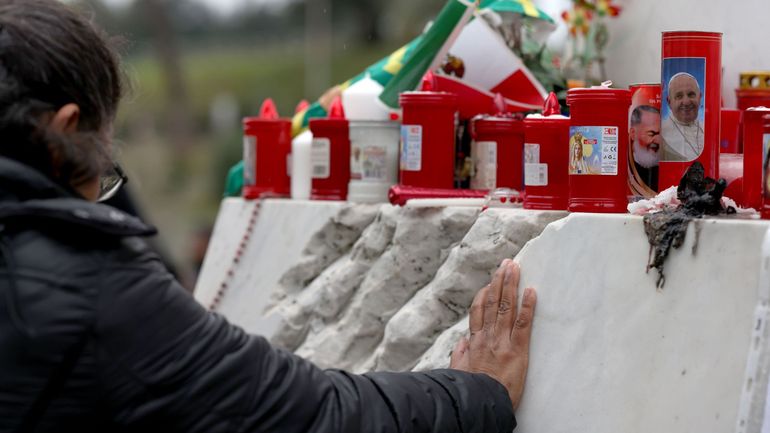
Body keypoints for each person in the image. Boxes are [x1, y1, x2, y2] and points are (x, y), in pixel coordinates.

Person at [0, 1, 537, 432]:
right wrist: (477, 393)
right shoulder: (92, 289)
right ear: (66, 131)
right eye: (101, 164)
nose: (100, 187)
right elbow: (312, 414)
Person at [661, 72, 705, 162]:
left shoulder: (707, 128)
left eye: (691, 94)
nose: (686, 102)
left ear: (700, 97)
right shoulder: (661, 132)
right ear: (669, 102)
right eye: (679, 96)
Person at [628, 105, 662, 195]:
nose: (658, 140)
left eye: (661, 135)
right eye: (652, 133)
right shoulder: (623, 165)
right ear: (633, 133)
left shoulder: (665, 168)